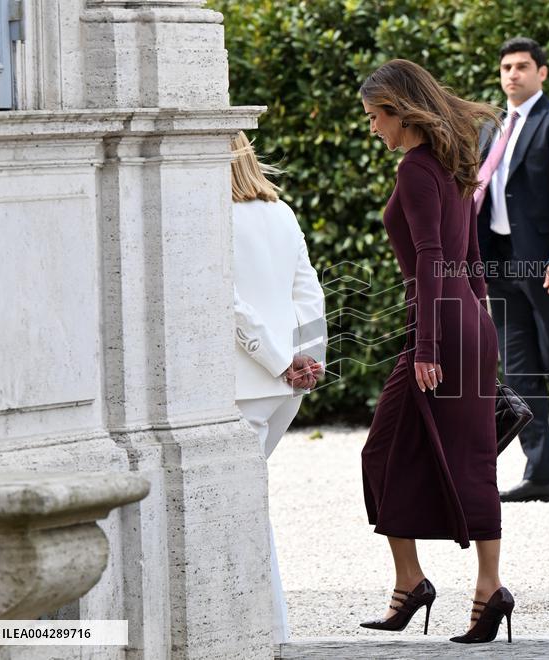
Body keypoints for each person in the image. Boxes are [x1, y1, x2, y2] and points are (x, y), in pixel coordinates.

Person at [358, 59, 515, 644]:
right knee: (474, 459)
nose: (374, 127)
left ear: (400, 112)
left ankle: (412, 581)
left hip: (440, 331)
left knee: (380, 453)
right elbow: (470, 259)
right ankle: (486, 589)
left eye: (376, 117)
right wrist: (483, 327)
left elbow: (429, 256)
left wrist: (426, 343)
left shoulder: (416, 170)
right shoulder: (455, 165)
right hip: (471, 323)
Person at [475, 37, 549, 502]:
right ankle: (541, 470)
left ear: (541, 72)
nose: (512, 74)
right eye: (506, 66)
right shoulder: (491, 129)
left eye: (522, 66)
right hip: (501, 262)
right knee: (518, 370)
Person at [230, 131, 325, 644]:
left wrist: (279, 360)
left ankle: (263, 634)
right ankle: (272, 631)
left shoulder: (209, 216)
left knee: (238, 507)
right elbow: (309, 294)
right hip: (284, 388)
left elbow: (228, 303)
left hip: (244, 383)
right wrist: (308, 361)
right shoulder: (281, 212)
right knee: (249, 504)